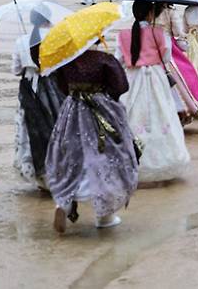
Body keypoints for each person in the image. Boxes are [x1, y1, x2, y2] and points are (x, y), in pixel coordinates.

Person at [46, 42, 139, 233]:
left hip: (72, 111)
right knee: (106, 157)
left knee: (71, 156)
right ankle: (105, 217)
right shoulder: (105, 60)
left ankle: (64, 202)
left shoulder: (67, 61)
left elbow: (62, 87)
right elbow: (121, 86)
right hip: (101, 109)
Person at [117, 1, 190, 185]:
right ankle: (163, 159)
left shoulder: (124, 35)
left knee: (134, 117)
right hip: (155, 77)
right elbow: (166, 58)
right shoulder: (159, 33)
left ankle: (132, 161)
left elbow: (119, 59)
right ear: (151, 13)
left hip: (133, 78)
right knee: (161, 115)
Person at [12, 5, 65, 189]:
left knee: (31, 129)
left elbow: (16, 70)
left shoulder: (21, 41)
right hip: (52, 86)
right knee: (55, 127)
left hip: (28, 89)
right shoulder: (55, 38)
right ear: (47, 20)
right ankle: (58, 173)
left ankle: (39, 176)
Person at [155, 3, 198, 125]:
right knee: (183, 76)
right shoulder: (170, 11)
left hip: (152, 46)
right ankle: (186, 109)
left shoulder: (150, 10)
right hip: (168, 46)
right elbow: (177, 31)